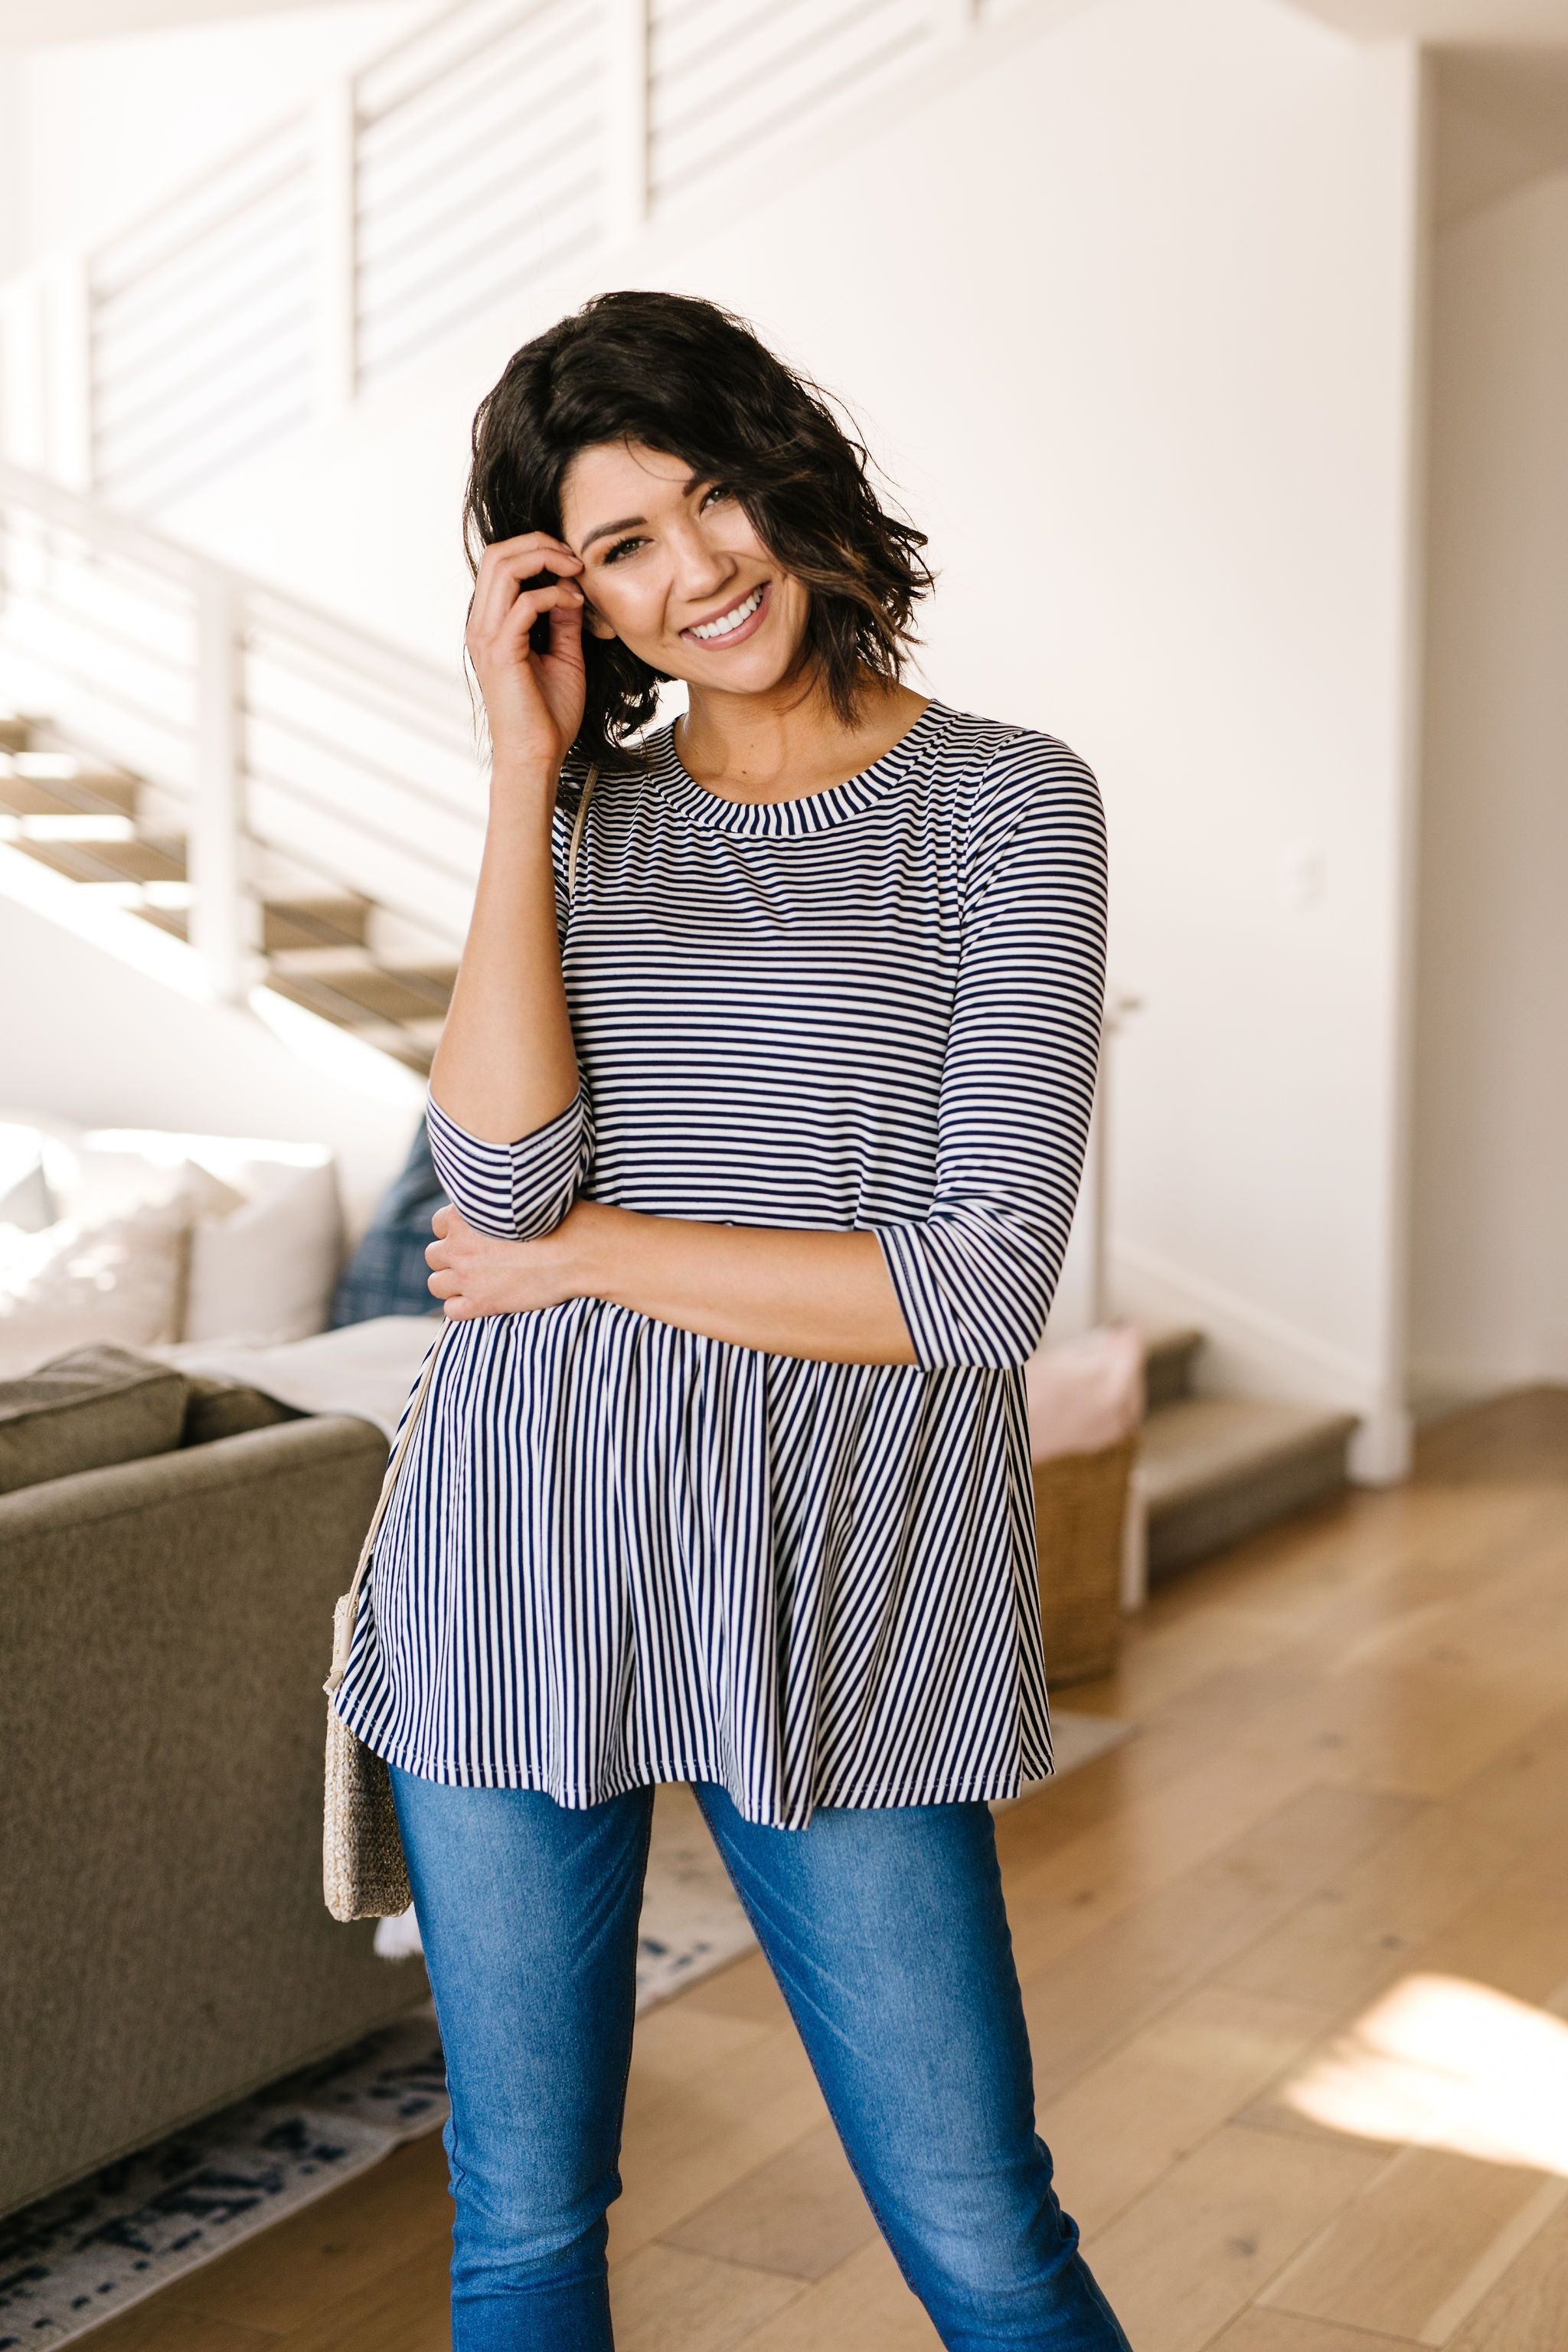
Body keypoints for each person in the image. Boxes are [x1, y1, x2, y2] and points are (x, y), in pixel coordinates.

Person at [331, 287, 1130, 2351]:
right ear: (561, 594)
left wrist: (593, 1256)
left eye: (710, 501)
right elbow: (497, 1189)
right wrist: (521, 775)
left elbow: (975, 1285)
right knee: (521, 2226)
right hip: (522, 1552)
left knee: (988, 2238)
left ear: (794, 474)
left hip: (850, 1583)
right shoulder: (584, 827)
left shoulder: (1009, 804)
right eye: (615, 549)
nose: (693, 575)